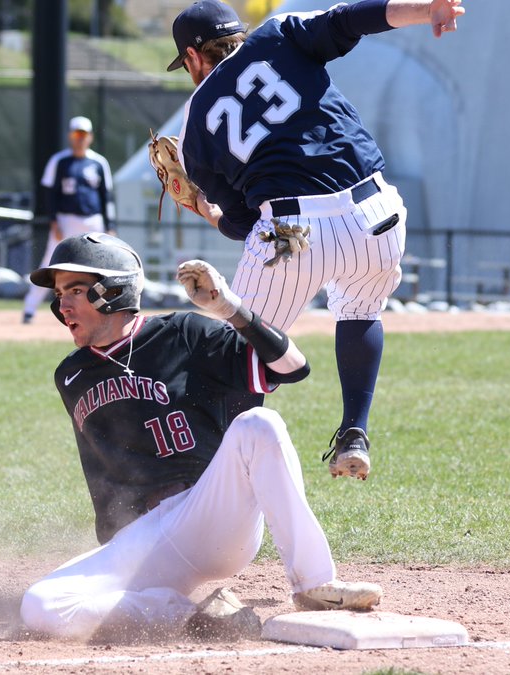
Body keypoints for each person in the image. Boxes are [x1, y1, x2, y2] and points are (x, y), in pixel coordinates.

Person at [19, 232, 383, 642]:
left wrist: (231, 310)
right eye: (59, 294)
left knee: (259, 425)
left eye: (76, 290)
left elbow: (291, 368)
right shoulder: (71, 374)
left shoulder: (184, 334)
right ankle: (192, 614)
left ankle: (314, 584)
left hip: (208, 513)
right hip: (143, 540)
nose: (61, 305)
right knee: (42, 604)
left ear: (113, 291)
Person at [165, 0, 465, 480]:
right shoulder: (277, 34)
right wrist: (424, 9)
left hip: (292, 232)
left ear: (194, 56)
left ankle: (222, 478)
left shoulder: (195, 124)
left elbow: (245, 222)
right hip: (375, 214)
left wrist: (207, 211)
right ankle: (355, 431)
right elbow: (350, 19)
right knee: (360, 310)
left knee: (239, 356)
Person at [22, 116, 116, 324]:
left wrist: (110, 226)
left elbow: (106, 197)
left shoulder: (99, 163)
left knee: (100, 267)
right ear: (69, 136)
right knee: (50, 263)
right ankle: (29, 309)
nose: (79, 139)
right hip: (66, 221)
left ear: (90, 137)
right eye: (76, 134)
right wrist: (53, 221)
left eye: (83, 135)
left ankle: (108, 308)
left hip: (93, 221)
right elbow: (49, 194)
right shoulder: (60, 161)